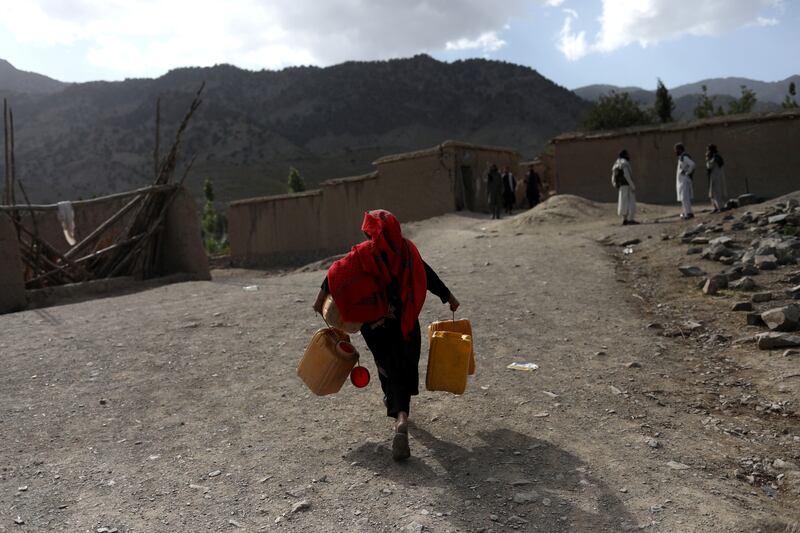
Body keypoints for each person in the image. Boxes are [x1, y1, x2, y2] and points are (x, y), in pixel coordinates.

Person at [312, 210, 460, 461]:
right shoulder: (407, 252)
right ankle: (402, 415)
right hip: (404, 323)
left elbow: (335, 275)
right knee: (405, 366)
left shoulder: (363, 254)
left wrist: (319, 303)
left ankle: (398, 414)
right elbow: (427, 275)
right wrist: (448, 297)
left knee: (387, 368)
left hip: (375, 326)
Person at [611, 149, 638, 225]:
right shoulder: (625, 164)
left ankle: (624, 219)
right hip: (627, 186)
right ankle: (630, 219)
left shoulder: (616, 164)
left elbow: (613, 176)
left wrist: (615, 184)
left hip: (621, 187)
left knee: (623, 203)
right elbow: (626, 175)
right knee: (630, 202)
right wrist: (632, 185)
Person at [674, 143, 696, 219]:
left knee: (685, 198)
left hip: (684, 180)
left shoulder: (684, 156)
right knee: (683, 198)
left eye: (676, 149)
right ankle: (686, 213)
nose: (675, 151)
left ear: (680, 149)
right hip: (682, 181)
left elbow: (692, 164)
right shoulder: (681, 157)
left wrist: (687, 172)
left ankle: (688, 213)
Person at [705, 144, 728, 213]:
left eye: (708, 150)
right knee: (712, 193)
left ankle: (720, 207)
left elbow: (709, 165)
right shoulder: (714, 156)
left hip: (716, 177)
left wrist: (707, 158)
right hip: (714, 176)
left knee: (717, 192)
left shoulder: (715, 157)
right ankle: (715, 207)